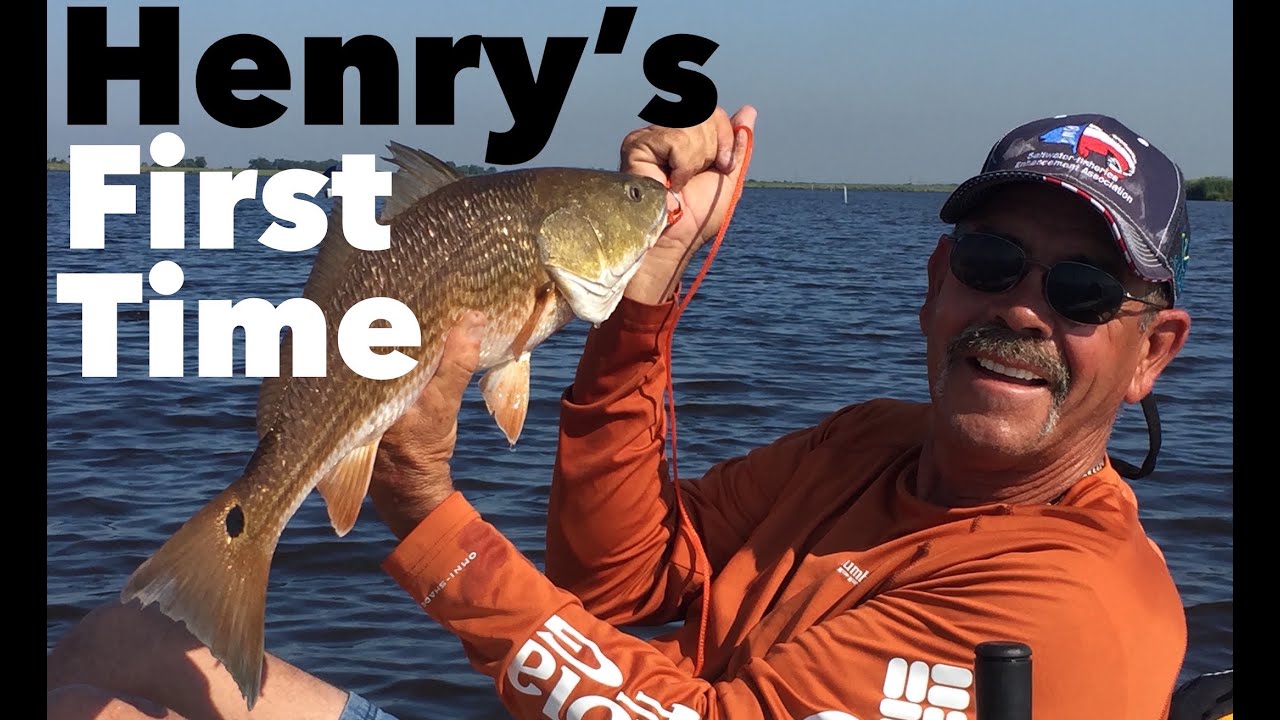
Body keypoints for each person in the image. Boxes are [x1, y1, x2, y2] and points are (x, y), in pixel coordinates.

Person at [47, 105, 1216, 719]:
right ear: (933, 285)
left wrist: (424, 514)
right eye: (989, 259)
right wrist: (640, 302)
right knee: (118, 646)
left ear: (1151, 353)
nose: (1018, 309)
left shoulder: (1067, 601)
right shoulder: (866, 445)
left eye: (1079, 290)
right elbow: (619, 580)